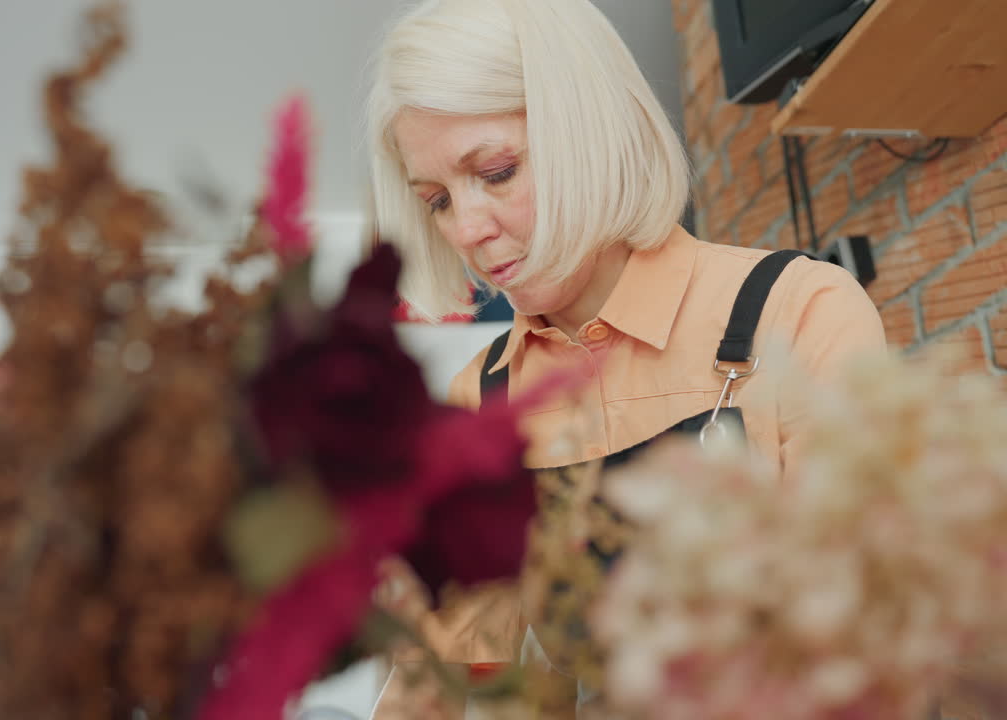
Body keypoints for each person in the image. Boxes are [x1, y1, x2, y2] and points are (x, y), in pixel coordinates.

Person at [362, 0, 887, 715]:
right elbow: (450, 673)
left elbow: (870, 644)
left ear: (587, 131)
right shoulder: (478, 402)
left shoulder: (798, 313)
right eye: (437, 202)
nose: (469, 230)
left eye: (496, 171)